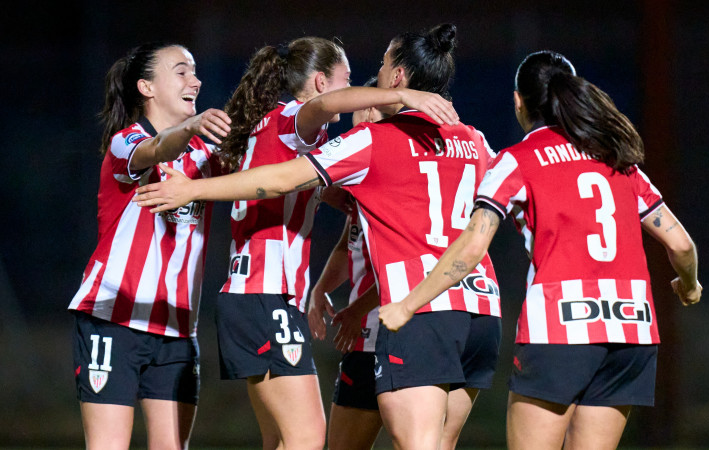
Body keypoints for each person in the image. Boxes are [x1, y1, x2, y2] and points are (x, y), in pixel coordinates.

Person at [132, 23, 500, 450]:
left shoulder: (362, 140)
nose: (363, 86)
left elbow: (290, 180)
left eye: (382, 66)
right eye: (349, 80)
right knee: (311, 437)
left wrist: (197, 190)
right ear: (322, 82)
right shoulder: (473, 140)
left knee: (294, 439)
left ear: (398, 75)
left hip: (395, 307)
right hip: (474, 307)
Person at [378, 50, 703, 450]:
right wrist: (689, 285)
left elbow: (473, 245)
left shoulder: (517, 160)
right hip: (631, 329)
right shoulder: (618, 159)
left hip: (560, 326)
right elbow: (681, 245)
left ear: (519, 101)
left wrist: (408, 305)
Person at [68, 42, 232, 449]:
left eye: (195, 71)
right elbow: (157, 149)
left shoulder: (207, 153)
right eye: (181, 71)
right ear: (147, 87)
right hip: (114, 318)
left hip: (177, 328)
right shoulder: (126, 142)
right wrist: (191, 128)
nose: (195, 81)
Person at [307, 76, 386, 450]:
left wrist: (358, 309)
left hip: (396, 330)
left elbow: (412, 263)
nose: (361, 115)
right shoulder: (360, 180)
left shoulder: (390, 170)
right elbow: (346, 245)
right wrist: (320, 288)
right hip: (363, 337)